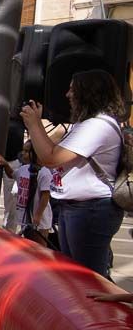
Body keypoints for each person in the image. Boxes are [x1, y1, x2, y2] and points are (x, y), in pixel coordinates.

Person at [21, 69, 126, 278]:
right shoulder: (86, 125)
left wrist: (33, 124)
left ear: (88, 93)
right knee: (74, 277)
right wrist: (38, 124)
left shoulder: (97, 126)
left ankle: (100, 313)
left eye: (72, 90)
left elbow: (51, 158)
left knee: (88, 279)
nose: (68, 95)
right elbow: (46, 156)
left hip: (91, 210)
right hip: (78, 209)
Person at [0, 143, 53, 242]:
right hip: (25, 218)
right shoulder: (23, 169)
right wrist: (5, 164)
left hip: (39, 221)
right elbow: (11, 174)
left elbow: (45, 196)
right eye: (23, 151)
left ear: (36, 153)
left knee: (39, 245)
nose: (23, 154)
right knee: (29, 243)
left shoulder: (44, 173)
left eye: (26, 151)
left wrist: (37, 216)